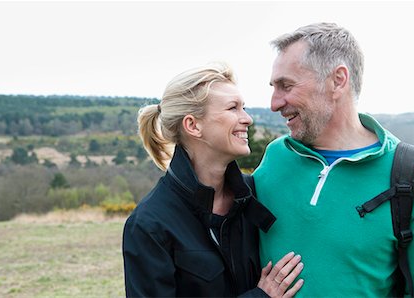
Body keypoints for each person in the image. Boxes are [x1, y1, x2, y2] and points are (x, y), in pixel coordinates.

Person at [253, 22, 414, 297]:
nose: (274, 103)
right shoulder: (275, 157)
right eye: (274, 87)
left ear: (338, 80)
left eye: (286, 85)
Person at [122, 62, 305, 297]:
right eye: (233, 108)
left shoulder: (252, 196)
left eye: (244, 107)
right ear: (193, 125)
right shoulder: (149, 225)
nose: (247, 119)